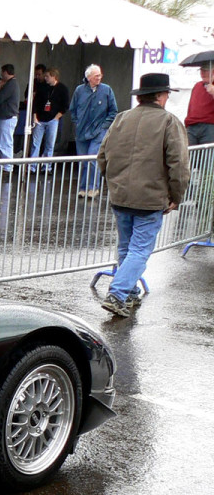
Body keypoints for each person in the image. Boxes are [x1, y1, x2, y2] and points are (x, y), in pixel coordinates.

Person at [96, 73, 189, 318]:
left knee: (126, 248)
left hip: (120, 196)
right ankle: (118, 293)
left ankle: (129, 292)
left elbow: (103, 155)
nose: (168, 97)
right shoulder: (169, 122)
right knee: (139, 250)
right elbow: (178, 163)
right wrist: (176, 196)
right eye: (167, 93)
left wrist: (113, 182)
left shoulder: (121, 118)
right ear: (160, 95)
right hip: (150, 198)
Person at [70, 64, 118, 197]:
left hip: (98, 131)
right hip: (81, 132)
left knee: (92, 158)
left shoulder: (106, 90)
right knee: (84, 161)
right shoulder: (79, 90)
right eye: (96, 75)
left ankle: (93, 188)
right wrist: (77, 122)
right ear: (89, 77)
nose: (99, 77)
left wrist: (104, 126)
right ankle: (83, 188)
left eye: (100, 75)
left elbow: (113, 111)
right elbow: (72, 108)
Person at [30, 67, 69, 171]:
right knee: (35, 144)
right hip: (40, 119)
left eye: (47, 76)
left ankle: (47, 167)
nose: (45, 78)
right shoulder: (42, 87)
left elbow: (65, 106)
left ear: (54, 77)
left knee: (50, 144)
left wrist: (56, 118)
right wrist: (35, 117)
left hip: (52, 120)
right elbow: (35, 103)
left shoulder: (62, 89)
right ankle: (32, 167)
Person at [0, 63, 20, 172]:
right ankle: (0, 165)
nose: (1, 74)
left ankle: (7, 167)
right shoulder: (13, 84)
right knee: (3, 142)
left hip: (7, 116)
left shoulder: (11, 84)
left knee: (5, 142)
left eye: (2, 72)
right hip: (8, 116)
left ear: (5, 72)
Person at [184, 61, 214, 145]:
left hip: (210, 126)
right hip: (192, 126)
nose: (202, 73)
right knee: (190, 155)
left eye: (205, 70)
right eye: (201, 70)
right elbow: (191, 107)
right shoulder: (197, 86)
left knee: (207, 156)